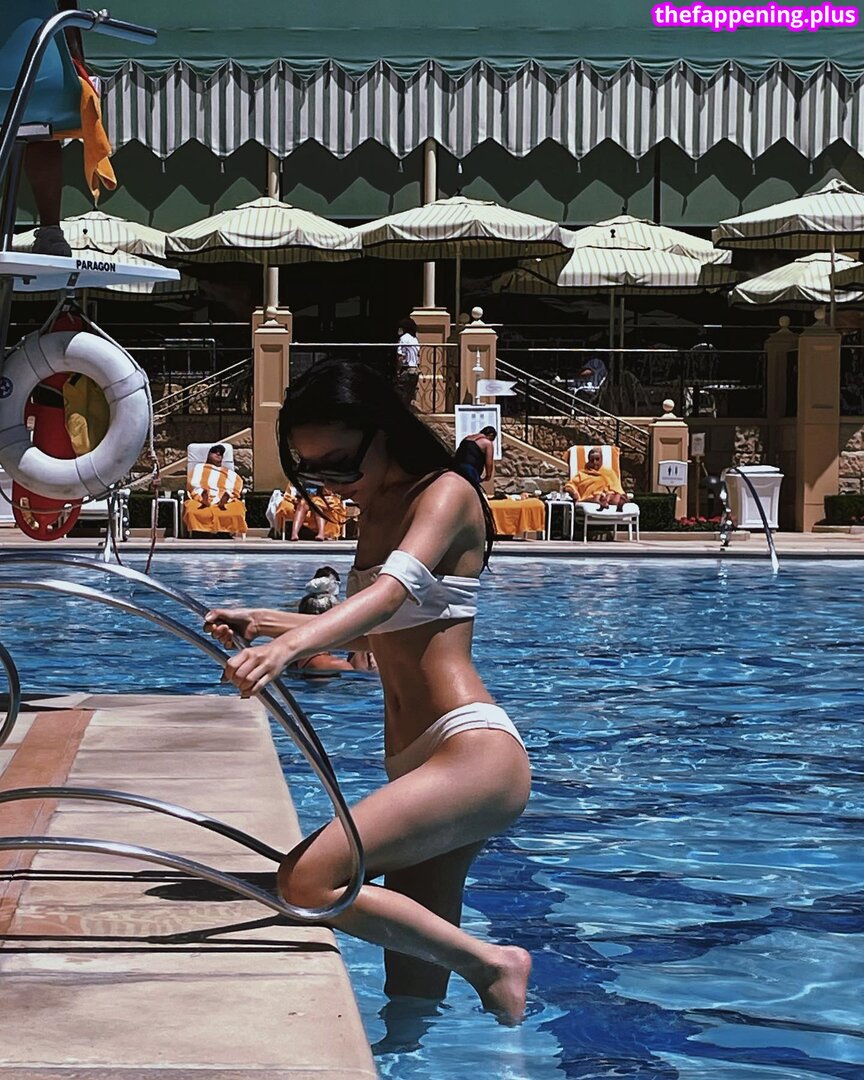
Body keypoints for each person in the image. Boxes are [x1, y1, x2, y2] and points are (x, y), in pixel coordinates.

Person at [204, 360, 531, 1024]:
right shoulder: (378, 506)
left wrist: (287, 649)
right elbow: (377, 634)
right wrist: (262, 621)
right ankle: (421, 1055)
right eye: (313, 471)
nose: (331, 483)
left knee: (307, 881)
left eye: (341, 464)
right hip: (416, 759)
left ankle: (493, 962)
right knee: (411, 982)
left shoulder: (446, 493)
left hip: (470, 754)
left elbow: (388, 596)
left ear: (384, 431)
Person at [182, 444, 247, 537]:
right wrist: (201, 494)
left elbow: (236, 483)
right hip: (203, 494)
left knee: (236, 510)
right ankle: (204, 500)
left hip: (222, 494)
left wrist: (228, 495)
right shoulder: (199, 468)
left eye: (221, 453)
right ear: (208, 455)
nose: (218, 454)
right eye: (215, 451)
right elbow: (192, 482)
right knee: (192, 511)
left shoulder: (229, 473)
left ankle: (223, 501)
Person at [564, 445, 628, 511]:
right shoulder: (582, 474)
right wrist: (573, 492)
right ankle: (602, 500)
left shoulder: (609, 473)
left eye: (597, 459)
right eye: (592, 460)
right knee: (597, 496)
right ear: (589, 461)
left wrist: (619, 494)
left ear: (601, 460)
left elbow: (617, 487)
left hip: (608, 495)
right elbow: (569, 485)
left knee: (615, 496)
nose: (595, 462)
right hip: (591, 497)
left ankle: (611, 502)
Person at [395, 317, 421, 405]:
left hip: (406, 369)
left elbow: (401, 356)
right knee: (410, 395)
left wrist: (398, 371)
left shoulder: (403, 338)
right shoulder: (415, 339)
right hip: (415, 370)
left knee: (400, 395)